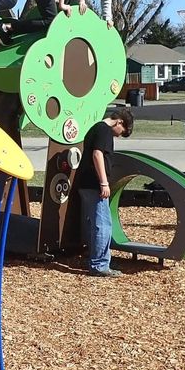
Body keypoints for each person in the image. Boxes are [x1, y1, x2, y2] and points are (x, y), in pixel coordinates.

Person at [73, 109, 133, 277]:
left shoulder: (95, 128)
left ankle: (95, 257)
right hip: (94, 184)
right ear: (119, 122)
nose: (119, 136)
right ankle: (99, 264)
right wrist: (104, 182)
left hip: (85, 182)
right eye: (122, 132)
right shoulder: (104, 130)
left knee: (94, 223)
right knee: (103, 224)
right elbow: (97, 154)